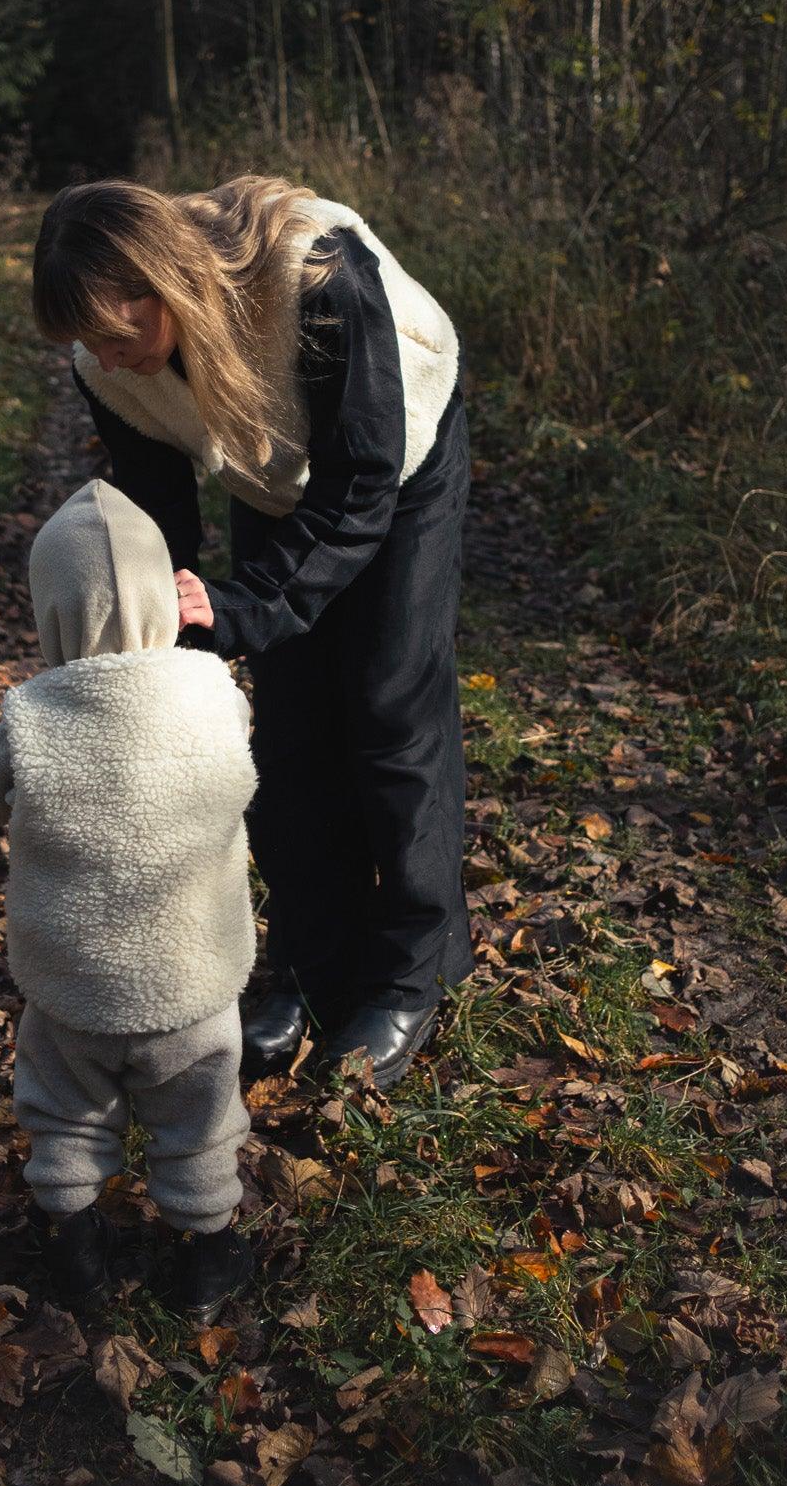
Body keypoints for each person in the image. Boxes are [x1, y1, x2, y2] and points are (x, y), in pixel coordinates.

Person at [32, 175, 472, 1090]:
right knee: (291, 729)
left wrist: (245, 606)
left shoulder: (314, 278)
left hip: (394, 459)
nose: (105, 362)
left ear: (167, 287)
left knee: (388, 706)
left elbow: (359, 488)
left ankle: (412, 971)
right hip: (271, 465)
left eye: (119, 335)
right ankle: (312, 978)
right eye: (89, 345)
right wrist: (158, 642)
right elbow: (155, 518)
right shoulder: (106, 365)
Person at [0, 479, 258, 1322]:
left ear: (48, 609)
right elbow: (238, 763)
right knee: (198, 1114)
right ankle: (205, 1253)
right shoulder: (214, 695)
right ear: (169, 595)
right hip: (191, 978)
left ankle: (74, 1243)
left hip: (75, 984)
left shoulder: (34, 715)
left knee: (63, 1106)